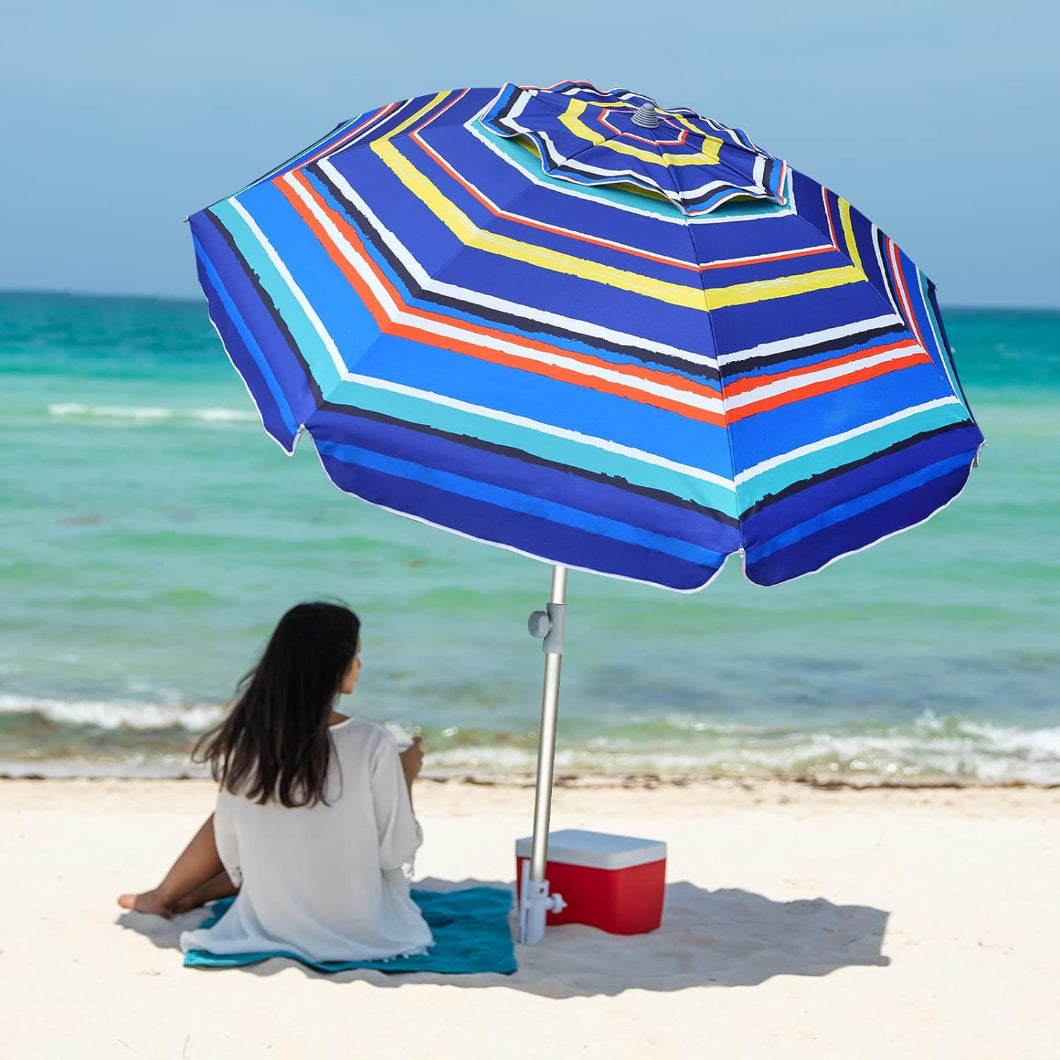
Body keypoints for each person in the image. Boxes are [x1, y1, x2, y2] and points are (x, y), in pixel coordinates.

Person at [117, 601, 433, 963]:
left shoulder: (250, 740)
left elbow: (234, 850)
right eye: (356, 655)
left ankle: (169, 896)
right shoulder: (373, 742)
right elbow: (395, 852)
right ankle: (175, 896)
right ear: (334, 664)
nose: (360, 666)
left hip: (272, 919)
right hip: (365, 930)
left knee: (259, 817)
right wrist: (405, 775)